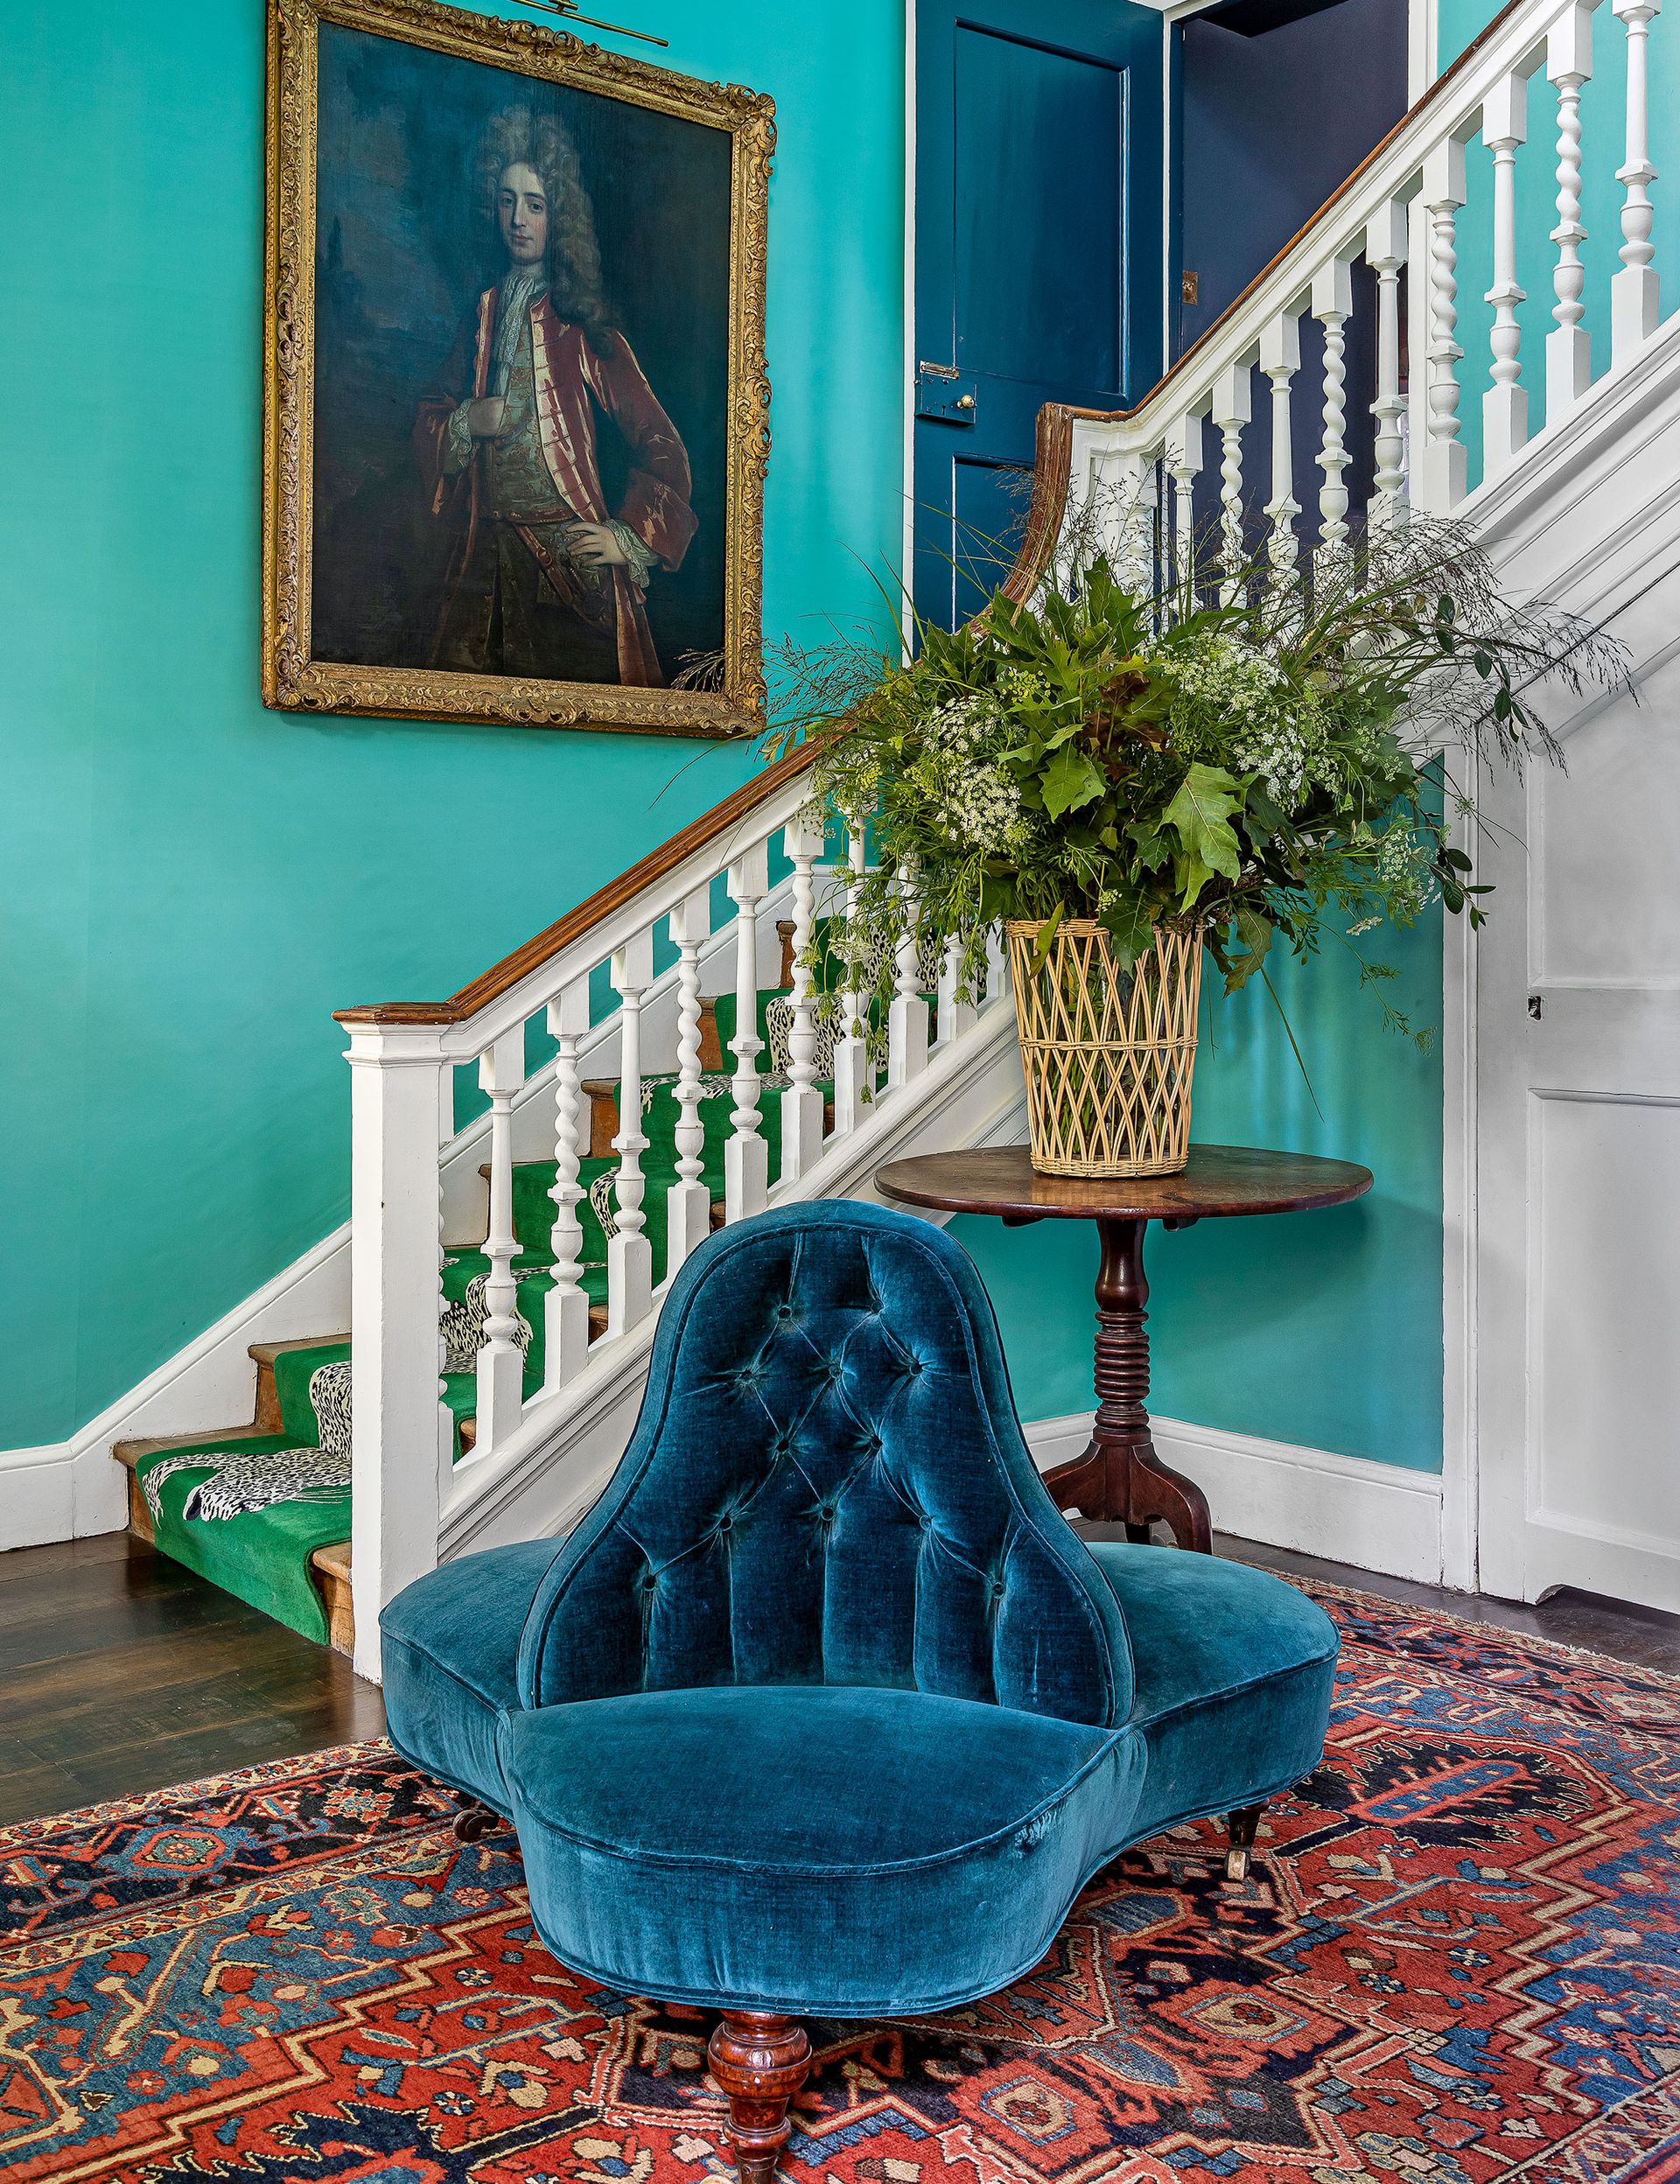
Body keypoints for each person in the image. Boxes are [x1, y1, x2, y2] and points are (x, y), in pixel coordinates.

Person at [416, 105, 696, 687]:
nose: (519, 219)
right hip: (483, 560)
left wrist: (626, 535)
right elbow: (430, 417)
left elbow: (661, 442)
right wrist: (467, 422)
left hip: (566, 571)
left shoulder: (584, 327)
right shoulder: (480, 315)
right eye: (507, 200)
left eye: (535, 205)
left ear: (557, 217)